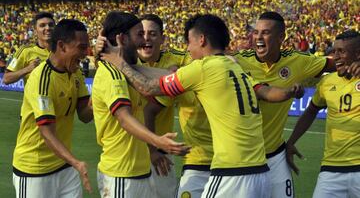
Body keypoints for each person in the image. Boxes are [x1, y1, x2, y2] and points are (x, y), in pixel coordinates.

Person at [100, 14, 305, 198]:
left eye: (189, 42)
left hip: (232, 170)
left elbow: (146, 88)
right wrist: (289, 92)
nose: (188, 49)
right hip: (259, 170)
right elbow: (169, 76)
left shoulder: (203, 69)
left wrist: (120, 64)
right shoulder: (234, 67)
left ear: (202, 40)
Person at [234, 11, 360, 198]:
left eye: (265, 32)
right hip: (241, 156)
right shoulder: (237, 62)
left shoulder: (298, 61)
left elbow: (337, 63)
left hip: (276, 154)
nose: (258, 37)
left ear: (281, 37)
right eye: (256, 32)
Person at [92, 11, 190, 198]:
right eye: (138, 34)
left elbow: (166, 78)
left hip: (137, 172)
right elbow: (124, 118)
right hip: (121, 175)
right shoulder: (112, 75)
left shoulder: (126, 69)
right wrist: (157, 141)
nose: (142, 40)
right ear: (122, 39)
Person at [12, 19, 93, 198]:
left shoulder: (76, 73)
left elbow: (85, 115)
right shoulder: (42, 78)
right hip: (35, 169)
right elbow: (47, 132)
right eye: (81, 47)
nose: (85, 53)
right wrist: (76, 163)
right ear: (62, 46)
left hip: (64, 165)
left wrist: (100, 95)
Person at [286, 30, 360, 198]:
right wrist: (291, 141)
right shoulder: (327, 82)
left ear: (358, 54)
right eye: (334, 51)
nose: (336, 56)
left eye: (342, 51)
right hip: (331, 169)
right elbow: (311, 111)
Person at [3, 12, 55, 85]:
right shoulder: (26, 50)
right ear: (35, 31)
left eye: (51, 25)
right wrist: (27, 69)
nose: (48, 28)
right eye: (42, 25)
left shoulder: (62, 51)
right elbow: (6, 79)